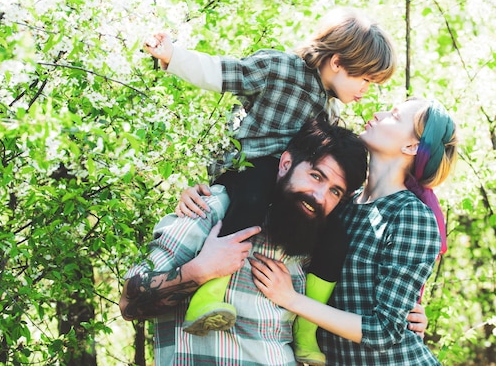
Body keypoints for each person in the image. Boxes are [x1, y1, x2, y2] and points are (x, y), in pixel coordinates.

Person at [144, 7, 397, 337]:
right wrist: (173, 56)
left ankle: (307, 331)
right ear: (337, 62)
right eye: (365, 79)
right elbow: (223, 72)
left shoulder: (330, 107)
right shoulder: (280, 68)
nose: (366, 90)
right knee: (255, 192)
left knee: (334, 232)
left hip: (287, 181)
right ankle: (207, 298)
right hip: (247, 166)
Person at [120, 119, 372, 364]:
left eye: (335, 191)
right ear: (285, 163)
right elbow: (128, 303)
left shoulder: (313, 244)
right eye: (316, 176)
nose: (319, 196)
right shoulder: (215, 210)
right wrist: (201, 270)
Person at [250, 98, 458, 365]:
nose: (378, 113)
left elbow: (385, 331)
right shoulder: (342, 201)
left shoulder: (411, 216)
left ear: (411, 146)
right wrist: (208, 193)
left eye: (393, 116)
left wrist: (291, 299)